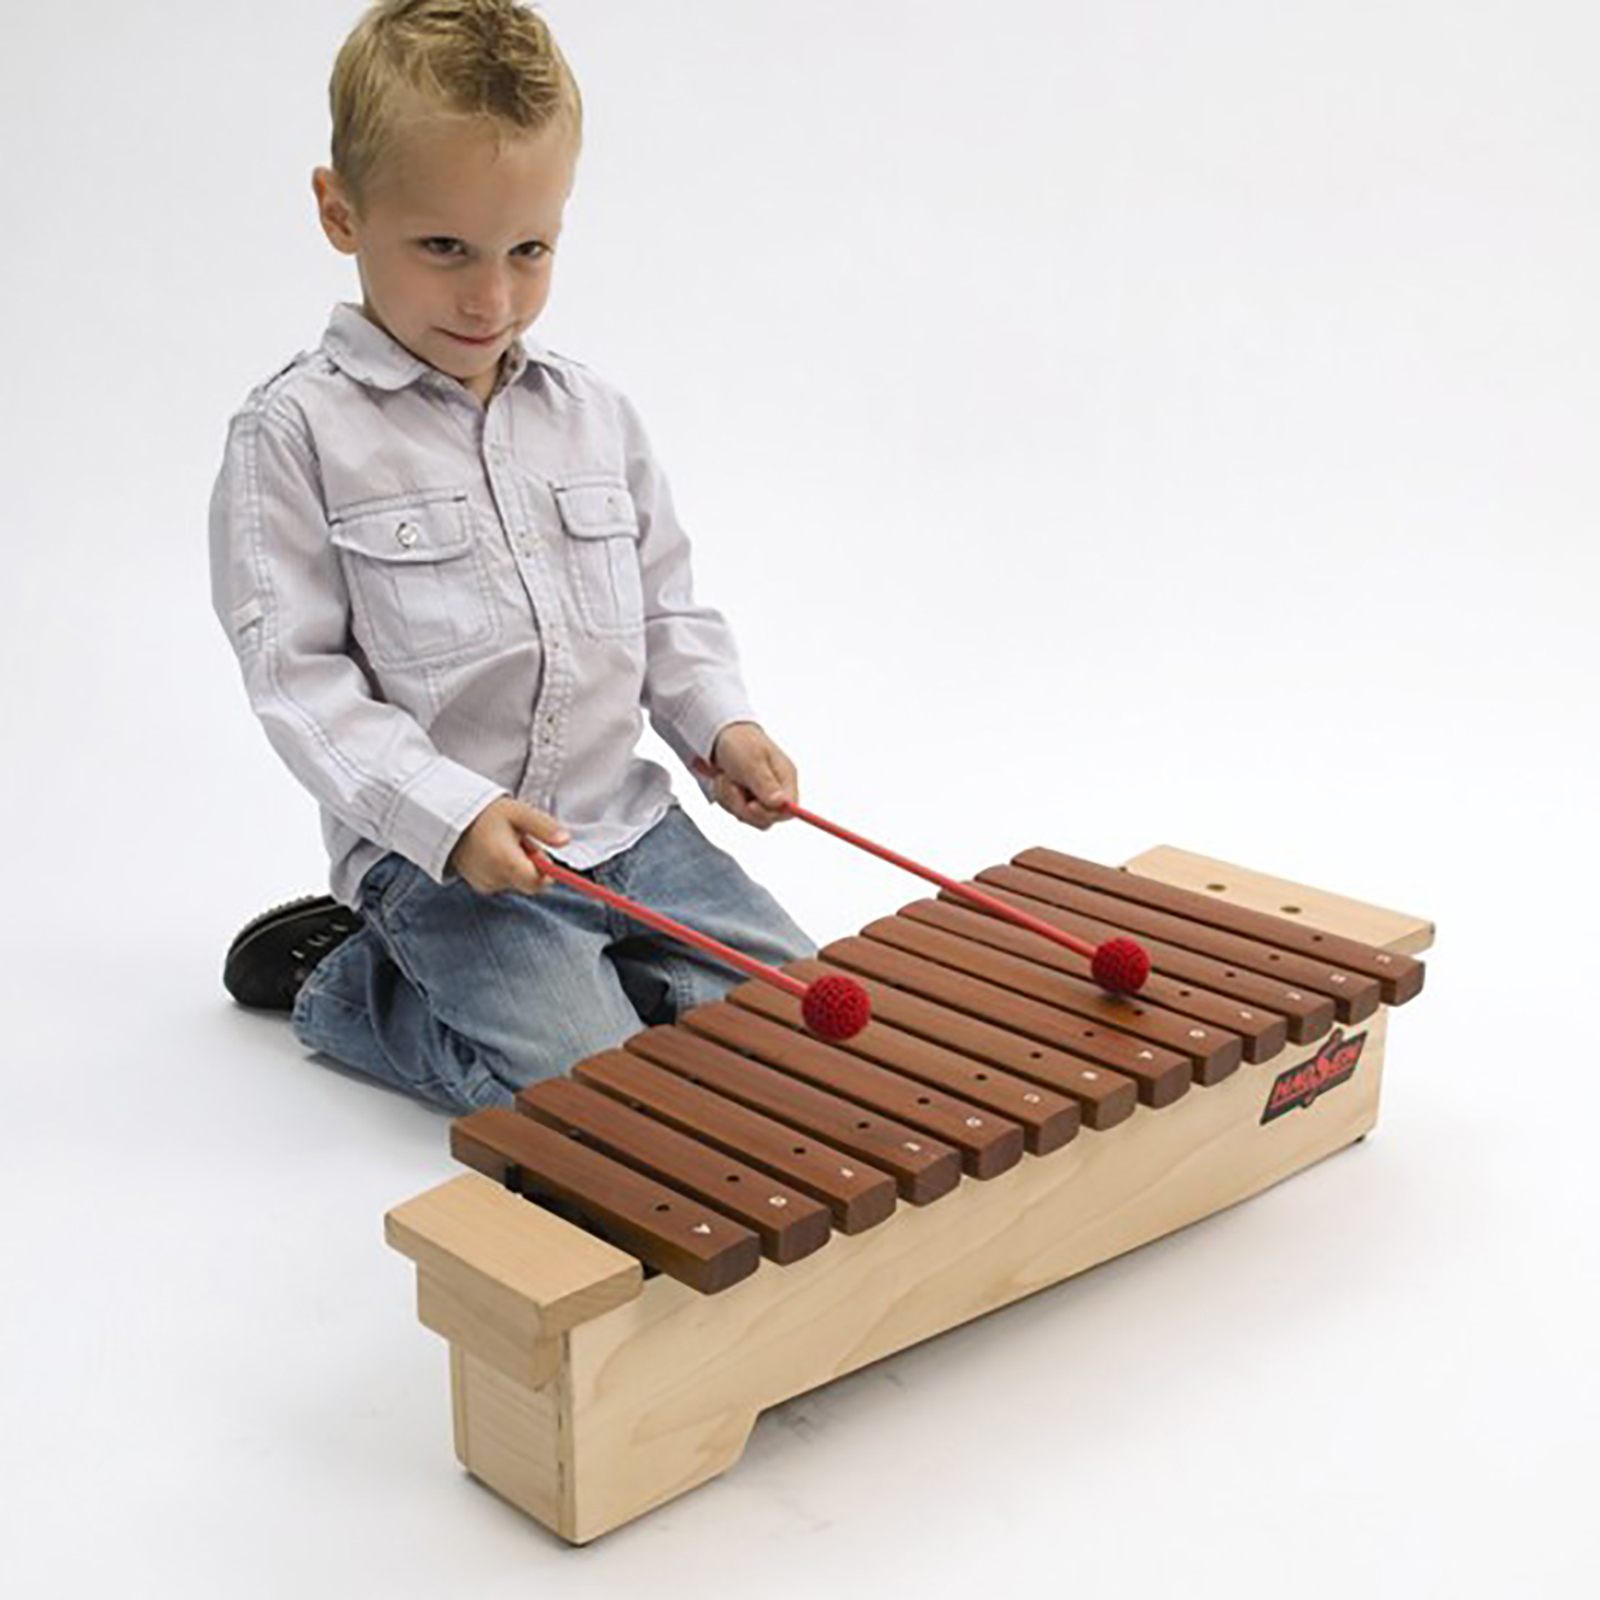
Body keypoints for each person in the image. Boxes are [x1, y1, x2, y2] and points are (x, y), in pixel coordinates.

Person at [208, 0, 817, 1114]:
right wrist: (450, 818)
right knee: (592, 1098)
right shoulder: (292, 436)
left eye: (528, 250)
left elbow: (664, 609)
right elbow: (299, 684)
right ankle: (352, 989)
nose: (491, 298)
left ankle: (596, 990)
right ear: (340, 212)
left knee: (803, 1026)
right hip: (448, 866)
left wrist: (719, 726)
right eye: (444, 248)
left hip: (629, 828)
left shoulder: (594, 415)